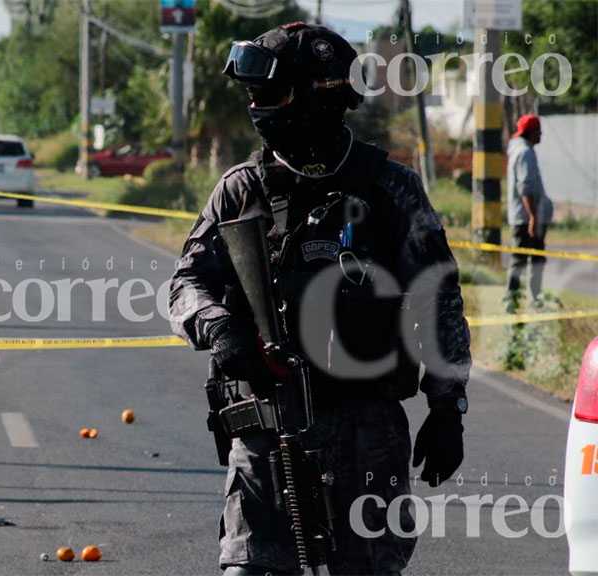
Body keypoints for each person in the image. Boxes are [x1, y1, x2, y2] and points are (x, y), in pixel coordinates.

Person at [168, 22, 472, 575]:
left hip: (367, 432)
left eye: (272, 95)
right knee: (249, 569)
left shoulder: (391, 189)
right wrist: (220, 329)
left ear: (320, 94)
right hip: (267, 429)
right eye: (254, 96)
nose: (259, 108)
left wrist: (448, 405)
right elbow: (187, 283)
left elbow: (438, 298)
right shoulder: (242, 189)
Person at [505, 114, 553, 311]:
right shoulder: (524, 152)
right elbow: (525, 187)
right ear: (532, 132)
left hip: (525, 217)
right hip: (527, 218)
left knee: (530, 258)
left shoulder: (520, 150)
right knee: (524, 259)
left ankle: (525, 298)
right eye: (538, 131)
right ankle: (515, 299)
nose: (540, 134)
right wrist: (533, 216)